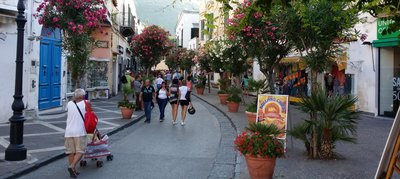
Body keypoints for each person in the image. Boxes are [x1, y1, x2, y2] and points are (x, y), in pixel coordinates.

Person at [65, 89, 88, 178]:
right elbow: (91, 114)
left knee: (71, 152)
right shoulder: (86, 103)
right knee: (81, 150)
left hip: (69, 131)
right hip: (80, 131)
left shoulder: (69, 103)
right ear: (82, 96)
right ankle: (72, 166)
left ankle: (73, 171)